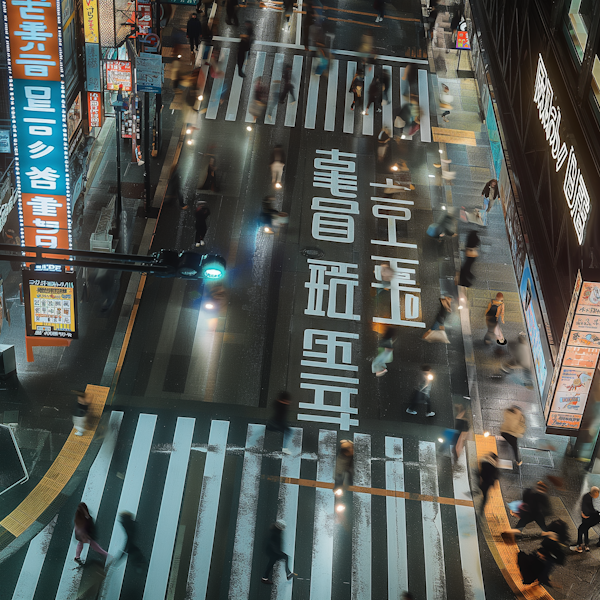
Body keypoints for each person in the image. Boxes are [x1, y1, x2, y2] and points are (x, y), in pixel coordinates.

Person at [570, 486, 600, 553]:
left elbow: (588, 508)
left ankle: (580, 546)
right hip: (590, 518)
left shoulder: (588, 496)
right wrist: (585, 514)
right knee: (584, 529)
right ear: (595, 493)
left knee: (581, 529)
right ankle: (585, 545)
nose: (598, 495)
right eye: (598, 493)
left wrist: (585, 514)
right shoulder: (587, 497)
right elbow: (587, 508)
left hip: (590, 518)